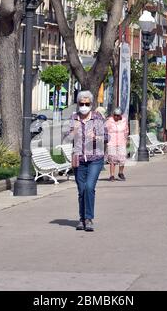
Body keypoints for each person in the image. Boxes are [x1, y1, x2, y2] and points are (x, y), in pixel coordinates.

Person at [65, 91, 107, 232]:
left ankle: (88, 218)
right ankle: (82, 219)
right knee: (81, 190)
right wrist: (73, 132)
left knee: (89, 187)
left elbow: (107, 137)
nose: (84, 106)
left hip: (95, 158)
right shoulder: (73, 118)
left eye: (87, 104)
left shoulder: (97, 117)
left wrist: (97, 136)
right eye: (81, 104)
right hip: (78, 159)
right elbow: (66, 137)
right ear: (78, 104)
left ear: (91, 104)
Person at [105, 107, 129, 181]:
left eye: (118, 115)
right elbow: (105, 130)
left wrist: (126, 139)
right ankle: (112, 175)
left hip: (121, 141)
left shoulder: (124, 121)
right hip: (112, 142)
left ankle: (120, 173)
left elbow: (126, 131)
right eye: (115, 115)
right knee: (112, 159)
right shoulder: (109, 121)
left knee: (122, 158)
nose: (116, 117)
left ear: (120, 115)